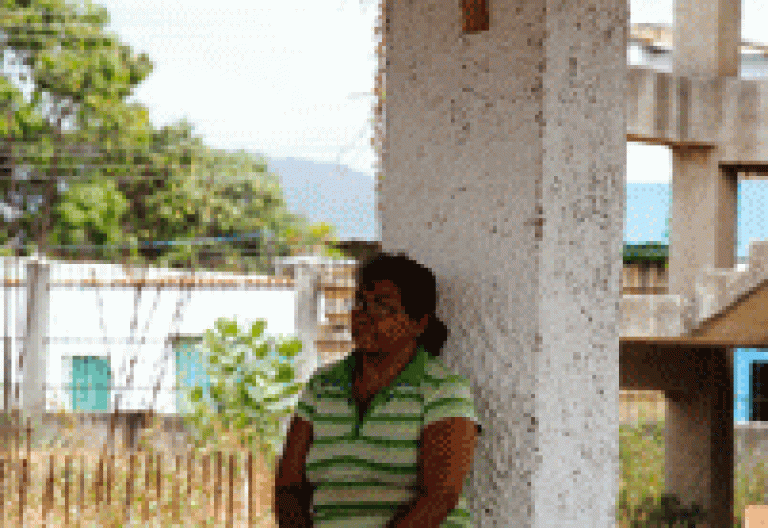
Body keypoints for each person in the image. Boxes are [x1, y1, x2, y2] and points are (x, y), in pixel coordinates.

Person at [274, 251, 482, 528]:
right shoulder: (322, 386)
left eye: (383, 307)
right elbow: (289, 486)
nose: (364, 315)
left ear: (418, 323)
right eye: (360, 302)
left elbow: (439, 497)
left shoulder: (443, 390)